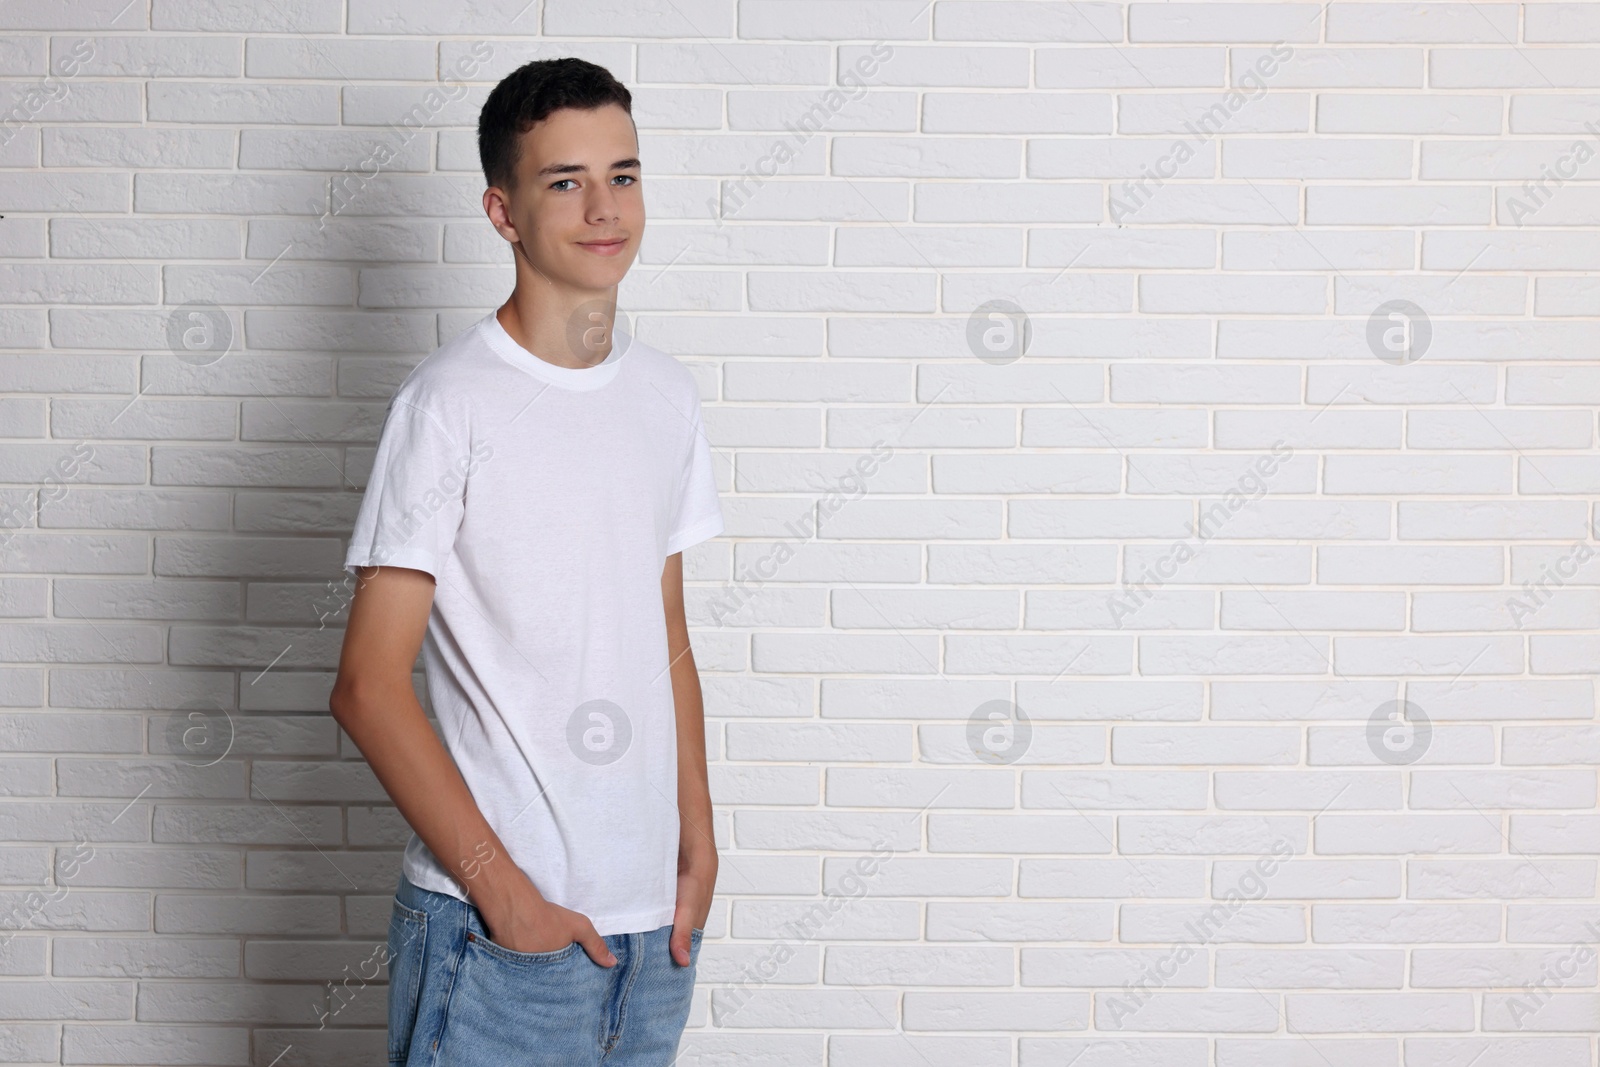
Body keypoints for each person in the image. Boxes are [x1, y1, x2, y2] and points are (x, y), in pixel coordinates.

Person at [329, 57, 723, 1066]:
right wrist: (507, 898)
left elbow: (664, 637)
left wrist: (699, 840)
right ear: (503, 212)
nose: (604, 208)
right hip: (496, 937)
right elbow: (368, 686)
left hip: (651, 934)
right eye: (565, 182)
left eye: (623, 175)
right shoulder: (448, 405)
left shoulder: (666, 398)